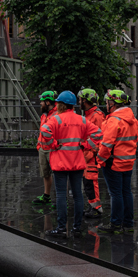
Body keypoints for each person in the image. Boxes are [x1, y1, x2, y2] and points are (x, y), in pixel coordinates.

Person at [40, 90, 101, 238]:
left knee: (61, 195)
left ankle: (61, 228)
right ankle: (77, 228)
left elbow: (44, 131)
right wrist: (86, 145)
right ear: (73, 105)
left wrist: (53, 144)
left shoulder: (57, 119)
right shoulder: (82, 119)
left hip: (60, 162)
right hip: (77, 162)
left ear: (60, 105)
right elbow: (98, 134)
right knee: (78, 195)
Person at [97, 89, 138, 234]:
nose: (106, 105)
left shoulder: (113, 120)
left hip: (113, 163)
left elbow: (106, 144)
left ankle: (115, 225)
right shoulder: (133, 120)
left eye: (108, 102)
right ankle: (128, 224)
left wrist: (99, 161)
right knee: (126, 192)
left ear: (113, 103)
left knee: (115, 194)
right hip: (128, 162)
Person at [77, 89, 105, 219]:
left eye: (80, 100)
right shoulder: (89, 115)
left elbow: (100, 138)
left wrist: (91, 152)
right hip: (87, 155)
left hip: (91, 156)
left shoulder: (96, 116)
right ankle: (92, 205)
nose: (79, 102)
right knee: (87, 183)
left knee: (91, 182)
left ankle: (97, 208)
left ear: (86, 100)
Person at [33, 91, 58, 207]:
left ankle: (60, 199)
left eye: (42, 102)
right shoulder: (44, 115)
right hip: (43, 149)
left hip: (53, 149)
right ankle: (46, 196)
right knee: (45, 174)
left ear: (48, 102)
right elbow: (41, 132)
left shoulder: (57, 115)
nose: (41, 104)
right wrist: (39, 146)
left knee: (59, 175)